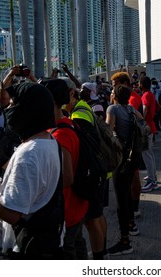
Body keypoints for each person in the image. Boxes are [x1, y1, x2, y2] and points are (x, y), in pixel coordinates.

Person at [0, 82, 64, 259]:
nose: (8, 108)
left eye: (12, 104)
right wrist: (1, 160)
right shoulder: (49, 141)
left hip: (28, 249)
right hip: (48, 240)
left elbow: (11, 214)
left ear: (27, 110)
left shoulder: (29, 153)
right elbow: (33, 178)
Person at [40, 78, 89, 260]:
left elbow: (67, 178)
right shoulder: (69, 122)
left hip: (67, 209)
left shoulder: (60, 135)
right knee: (79, 243)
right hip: (78, 204)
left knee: (69, 250)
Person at [63, 80, 109, 260]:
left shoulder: (79, 115)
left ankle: (99, 258)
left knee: (92, 220)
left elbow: (88, 147)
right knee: (97, 215)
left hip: (92, 172)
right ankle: (102, 252)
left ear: (72, 95)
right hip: (100, 169)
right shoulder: (81, 107)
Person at [106, 84, 144, 255]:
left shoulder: (112, 109)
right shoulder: (130, 109)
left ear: (114, 95)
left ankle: (125, 241)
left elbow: (108, 130)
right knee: (127, 192)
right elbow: (142, 120)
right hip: (133, 156)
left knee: (121, 199)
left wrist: (115, 137)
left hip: (121, 159)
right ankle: (131, 225)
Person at [111, 72, 143, 219]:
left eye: (115, 85)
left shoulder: (130, 100)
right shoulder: (126, 100)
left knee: (134, 176)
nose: (113, 88)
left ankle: (134, 208)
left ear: (123, 84)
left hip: (130, 148)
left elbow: (129, 122)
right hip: (131, 147)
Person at [139, 76, 158, 192]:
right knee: (149, 154)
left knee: (146, 155)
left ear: (141, 84)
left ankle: (152, 180)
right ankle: (153, 176)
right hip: (150, 126)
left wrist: (139, 120)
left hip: (146, 127)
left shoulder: (146, 95)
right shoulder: (150, 94)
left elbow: (144, 109)